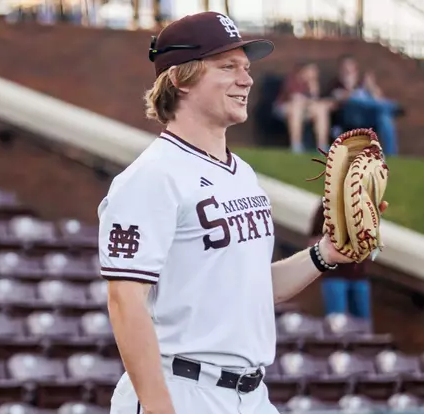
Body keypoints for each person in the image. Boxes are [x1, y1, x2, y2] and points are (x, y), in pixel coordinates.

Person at [97, 11, 388, 414]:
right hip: (182, 390)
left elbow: (251, 288)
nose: (246, 79)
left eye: (246, 68)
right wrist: (160, 408)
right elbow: (125, 300)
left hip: (251, 395)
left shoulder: (242, 174)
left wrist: (325, 254)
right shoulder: (152, 177)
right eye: (227, 66)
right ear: (181, 77)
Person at [307, 202, 372, 321]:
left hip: (359, 276)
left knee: (363, 325)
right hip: (334, 275)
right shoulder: (327, 206)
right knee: (337, 323)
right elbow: (313, 241)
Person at [326, 55, 400, 156]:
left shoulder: (363, 84)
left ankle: (392, 155)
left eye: (351, 69)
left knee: (384, 117)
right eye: (346, 69)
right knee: (355, 100)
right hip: (350, 118)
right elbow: (337, 98)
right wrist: (350, 89)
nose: (349, 72)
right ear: (340, 70)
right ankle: (391, 107)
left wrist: (372, 87)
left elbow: (378, 98)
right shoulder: (336, 84)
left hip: (367, 118)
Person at [273, 61, 334, 154]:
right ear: (305, 71)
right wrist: (309, 102)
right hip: (285, 107)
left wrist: (313, 88)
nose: (315, 73)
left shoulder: (312, 83)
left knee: (321, 110)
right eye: (312, 71)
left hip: (303, 109)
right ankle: (296, 145)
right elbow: (295, 98)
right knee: (296, 109)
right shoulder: (293, 79)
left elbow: (314, 101)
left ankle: (322, 146)